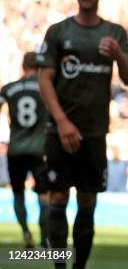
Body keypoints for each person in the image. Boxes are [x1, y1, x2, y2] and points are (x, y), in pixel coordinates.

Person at [37, 0, 128, 269]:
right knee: (57, 198)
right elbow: (44, 79)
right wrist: (62, 121)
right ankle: (58, 266)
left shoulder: (115, 33)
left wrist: (118, 55)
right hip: (59, 131)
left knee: (88, 202)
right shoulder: (58, 32)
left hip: (94, 133)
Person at [0, 52, 49, 248]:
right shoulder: (45, 89)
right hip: (40, 150)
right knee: (44, 195)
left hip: (16, 149)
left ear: (22, 66)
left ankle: (26, 233)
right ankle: (44, 236)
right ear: (39, 68)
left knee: (18, 194)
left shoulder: (9, 89)